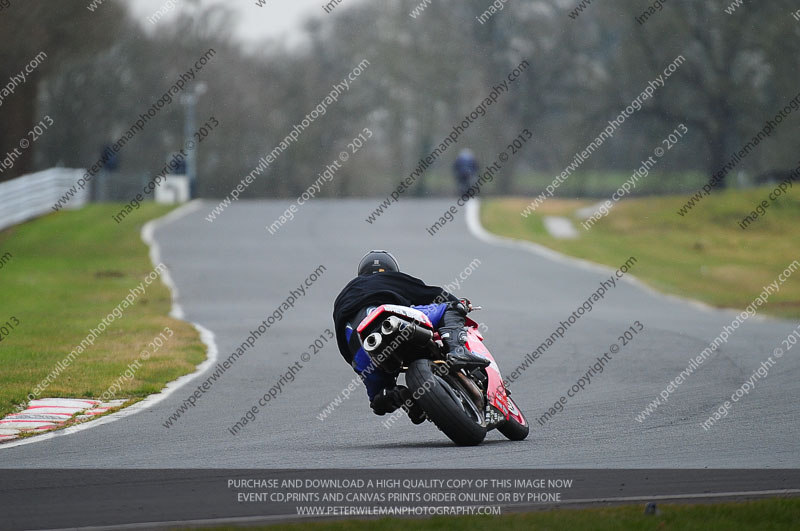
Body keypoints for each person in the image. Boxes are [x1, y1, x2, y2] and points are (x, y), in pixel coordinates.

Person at [332, 250, 488, 422]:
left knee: (379, 399)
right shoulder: (391, 278)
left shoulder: (344, 295)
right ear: (391, 269)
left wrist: (360, 364)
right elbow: (434, 294)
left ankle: (404, 399)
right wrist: (460, 303)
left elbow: (342, 341)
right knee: (449, 307)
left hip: (360, 346)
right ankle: (457, 351)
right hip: (391, 319)